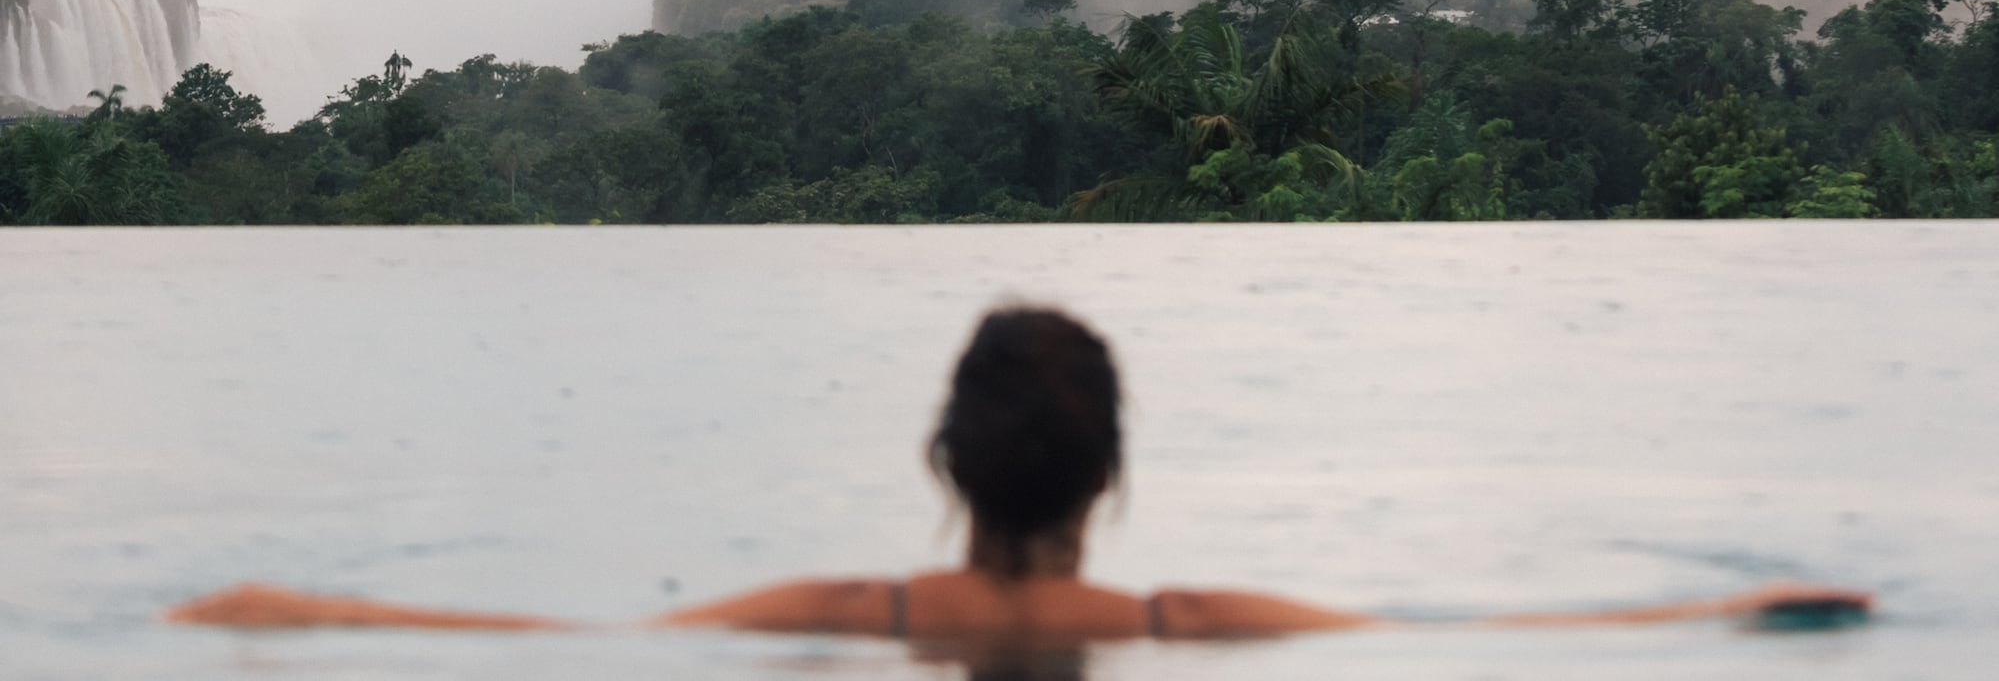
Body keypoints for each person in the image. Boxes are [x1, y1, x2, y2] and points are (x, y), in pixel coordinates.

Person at [167, 304, 1870, 643]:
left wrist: (305, 604)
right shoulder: (1190, 619)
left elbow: (558, 635)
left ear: (941, 457)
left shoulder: (857, 609)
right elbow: (1503, 630)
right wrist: (1741, 598)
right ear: (1112, 472)